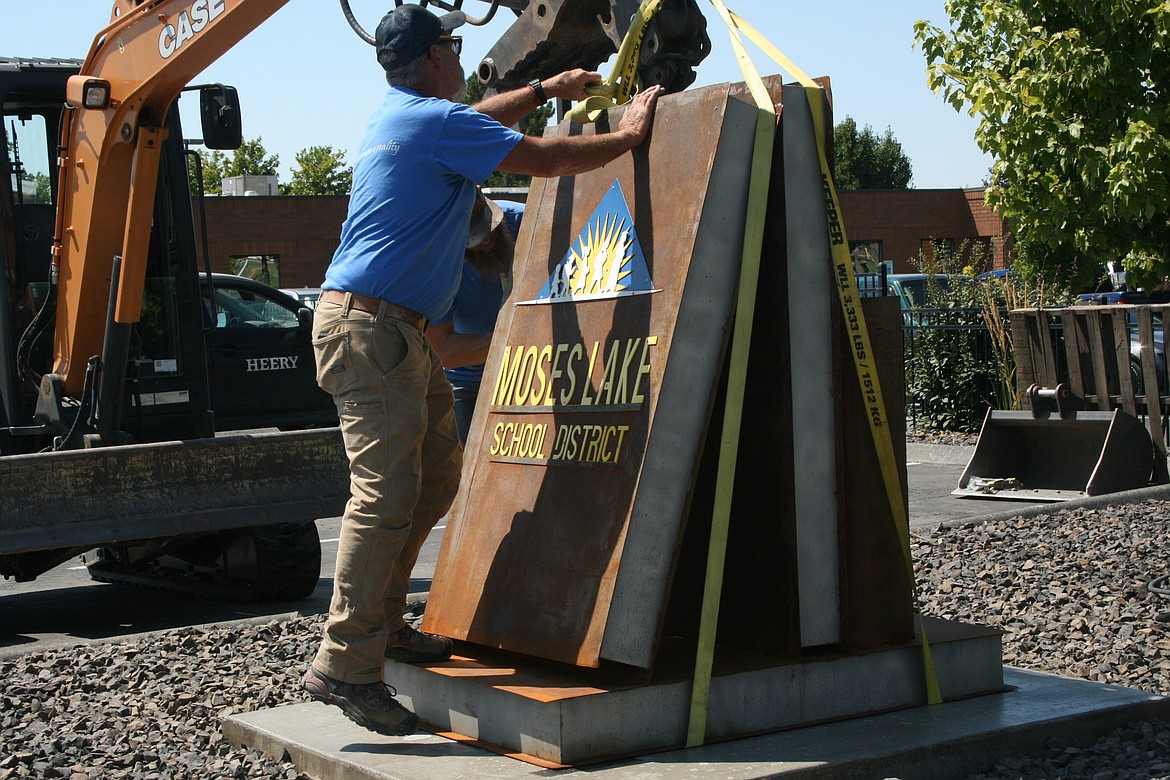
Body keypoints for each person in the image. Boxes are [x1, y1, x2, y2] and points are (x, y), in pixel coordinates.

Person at [301, 3, 663, 738]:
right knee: (383, 498)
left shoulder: (402, 115)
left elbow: (479, 117)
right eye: (456, 46)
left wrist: (544, 88)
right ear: (435, 55)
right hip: (374, 335)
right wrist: (627, 137)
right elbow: (545, 160)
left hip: (388, 335)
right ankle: (344, 664)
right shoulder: (436, 124)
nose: (464, 59)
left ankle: (381, 628)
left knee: (434, 480)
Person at [426, 191, 524, 444]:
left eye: (489, 229)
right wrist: (516, 339)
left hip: (528, 370)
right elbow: (444, 351)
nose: (487, 242)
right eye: (475, 239)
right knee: (465, 467)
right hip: (466, 380)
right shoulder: (436, 257)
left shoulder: (527, 220)